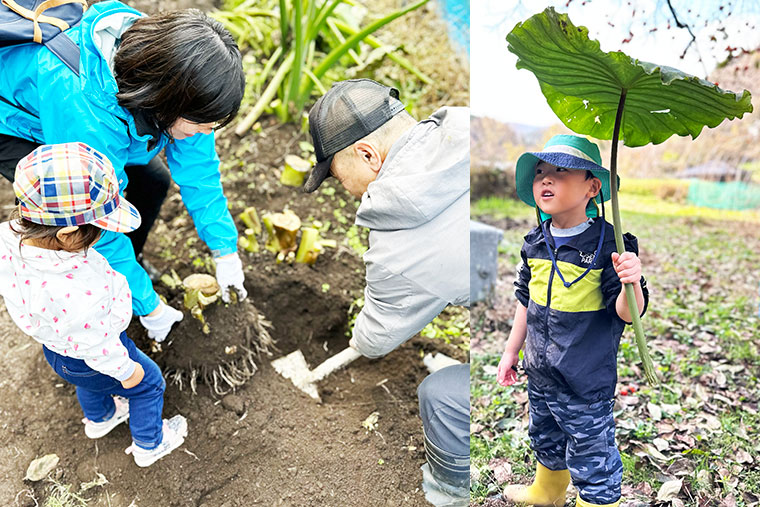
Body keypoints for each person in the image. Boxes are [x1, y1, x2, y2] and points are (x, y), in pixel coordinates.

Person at [0, 2, 248, 342]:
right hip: (18, 125)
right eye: (201, 123)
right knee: (71, 229)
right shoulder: (86, 109)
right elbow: (94, 218)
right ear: (166, 102)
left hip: (95, 123)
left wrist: (225, 250)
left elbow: (199, 170)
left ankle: (130, 266)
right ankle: (86, 308)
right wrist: (150, 307)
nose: (207, 131)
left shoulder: (172, 69)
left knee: (154, 182)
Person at [303, 78, 470, 504]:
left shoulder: (400, 244)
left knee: (441, 398)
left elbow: (378, 337)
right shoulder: (470, 127)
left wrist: (360, 338)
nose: (345, 190)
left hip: (562, 362)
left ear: (367, 154)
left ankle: (452, 491)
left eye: (340, 177)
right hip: (584, 308)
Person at [0, 143, 187, 467]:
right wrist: (127, 371)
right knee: (149, 383)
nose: (102, 234)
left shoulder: (11, 240)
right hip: (96, 350)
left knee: (85, 379)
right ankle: (149, 444)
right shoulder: (79, 290)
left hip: (57, 350)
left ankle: (101, 418)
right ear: (69, 234)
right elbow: (99, 347)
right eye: (99, 227)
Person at [495, 135, 649, 507]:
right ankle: (548, 491)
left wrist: (631, 279)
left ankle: (598, 501)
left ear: (592, 187)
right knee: (545, 434)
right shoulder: (536, 241)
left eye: (560, 171)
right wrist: (511, 350)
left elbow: (629, 313)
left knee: (590, 448)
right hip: (541, 370)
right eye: (541, 172)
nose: (546, 179)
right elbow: (525, 300)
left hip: (583, 376)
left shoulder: (609, 244)